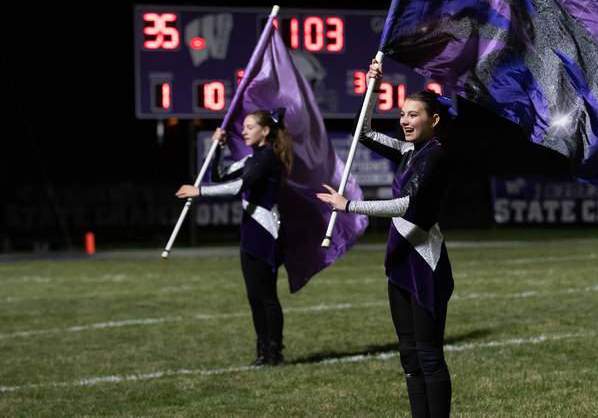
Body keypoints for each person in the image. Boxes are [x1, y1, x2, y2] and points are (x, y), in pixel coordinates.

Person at [317, 60, 456, 417]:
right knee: (409, 354)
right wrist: (373, 87)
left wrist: (349, 205)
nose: (405, 121)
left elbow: (405, 205)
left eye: (414, 115)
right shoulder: (410, 150)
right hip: (399, 262)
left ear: (434, 120)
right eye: (403, 114)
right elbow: (361, 133)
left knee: (428, 354)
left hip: (425, 262)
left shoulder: (435, 155)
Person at [176, 108, 293, 367]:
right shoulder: (251, 159)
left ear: (265, 131)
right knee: (253, 296)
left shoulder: (267, 159)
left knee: (266, 296)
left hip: (266, 233)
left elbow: (240, 186)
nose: (243, 131)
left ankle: (275, 352)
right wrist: (218, 148)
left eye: (250, 127)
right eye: (244, 127)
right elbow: (218, 176)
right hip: (250, 232)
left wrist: (199, 192)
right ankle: (262, 351)